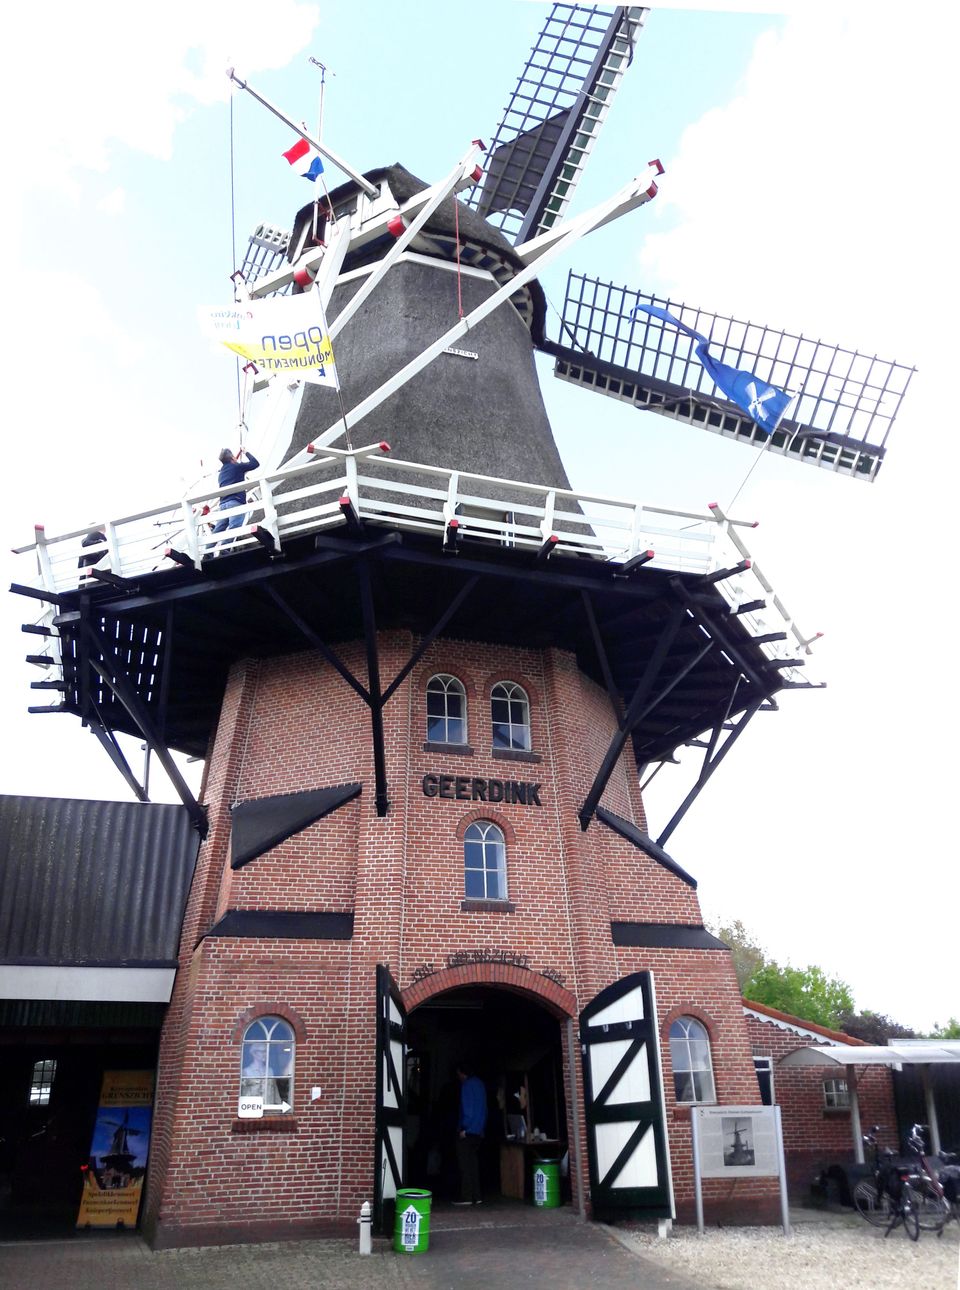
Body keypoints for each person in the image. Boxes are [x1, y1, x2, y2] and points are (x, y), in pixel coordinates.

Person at [453, 1062, 486, 1206]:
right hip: (478, 1131)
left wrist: (464, 1129)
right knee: (474, 1165)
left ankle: (466, 1196)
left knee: (464, 1165)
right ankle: (477, 1196)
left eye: (458, 1074)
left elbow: (468, 1110)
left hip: (468, 1131)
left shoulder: (466, 1086)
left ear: (462, 1073)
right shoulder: (480, 1084)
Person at [212, 447, 260, 534]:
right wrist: (245, 452)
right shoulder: (237, 467)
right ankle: (225, 544)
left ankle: (211, 543)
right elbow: (255, 463)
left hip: (223, 504)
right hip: (235, 501)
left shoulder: (221, 473)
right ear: (232, 458)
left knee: (218, 531)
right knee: (234, 530)